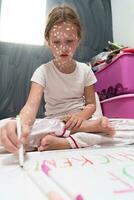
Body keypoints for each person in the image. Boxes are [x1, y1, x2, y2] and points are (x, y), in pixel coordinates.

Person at [0, 5, 115, 153]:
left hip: (82, 119)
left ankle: (66, 141)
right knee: (7, 127)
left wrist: (80, 117)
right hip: (55, 121)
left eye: (69, 41)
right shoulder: (42, 72)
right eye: (56, 42)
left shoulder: (85, 71)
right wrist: (20, 124)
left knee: (109, 133)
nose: (63, 48)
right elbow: (30, 106)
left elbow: (91, 104)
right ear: (48, 41)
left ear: (78, 39)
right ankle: (79, 133)